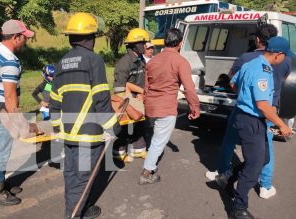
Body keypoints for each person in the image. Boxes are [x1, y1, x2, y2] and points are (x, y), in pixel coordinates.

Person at [205, 24, 292, 200]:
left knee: (230, 140)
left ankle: (223, 173)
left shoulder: (247, 58)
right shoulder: (286, 60)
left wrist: (245, 94)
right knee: (265, 147)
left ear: (258, 39)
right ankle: (266, 185)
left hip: (247, 109)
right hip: (271, 108)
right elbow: (283, 79)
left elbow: (231, 81)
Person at [49, 12, 121, 219]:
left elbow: (54, 101)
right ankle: (73, 214)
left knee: (71, 176)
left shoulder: (61, 63)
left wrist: (57, 129)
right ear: (92, 37)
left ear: (71, 38)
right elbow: (101, 98)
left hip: (69, 134)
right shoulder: (94, 60)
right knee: (82, 179)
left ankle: (84, 207)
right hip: (87, 136)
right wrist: (113, 125)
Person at [228, 36, 293, 219]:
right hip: (251, 121)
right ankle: (238, 209)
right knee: (254, 168)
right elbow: (263, 106)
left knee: (263, 158)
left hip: (251, 119)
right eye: (284, 57)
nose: (285, 60)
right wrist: (282, 125)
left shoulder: (251, 63)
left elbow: (233, 83)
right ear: (278, 55)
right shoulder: (263, 71)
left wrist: (244, 95)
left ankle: (228, 177)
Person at [0, 19, 34, 205]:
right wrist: (22, 125)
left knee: (2, 148)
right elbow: (10, 98)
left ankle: (1, 183)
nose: (26, 40)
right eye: (24, 37)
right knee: (1, 151)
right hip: (0, 112)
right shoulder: (10, 61)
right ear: (15, 37)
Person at [139, 28, 200, 184]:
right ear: (180, 44)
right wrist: (195, 107)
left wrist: (145, 103)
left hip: (151, 106)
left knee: (155, 137)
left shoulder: (152, 61)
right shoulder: (180, 61)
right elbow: (189, 88)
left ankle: (149, 163)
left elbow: (146, 87)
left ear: (165, 42)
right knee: (159, 141)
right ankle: (147, 173)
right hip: (166, 107)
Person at [113, 28, 150, 162]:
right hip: (127, 100)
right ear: (134, 44)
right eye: (142, 42)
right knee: (124, 126)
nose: (145, 45)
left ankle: (137, 149)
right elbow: (119, 90)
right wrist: (133, 101)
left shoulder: (140, 60)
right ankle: (118, 151)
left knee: (139, 125)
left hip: (138, 99)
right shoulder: (124, 63)